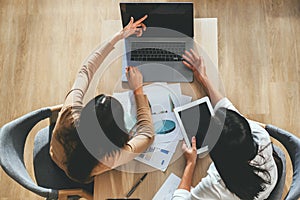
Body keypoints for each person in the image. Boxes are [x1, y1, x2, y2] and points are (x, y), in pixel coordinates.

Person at [49, 15, 155, 184]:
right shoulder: (111, 156)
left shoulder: (70, 113)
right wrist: (138, 90)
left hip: (56, 155)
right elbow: (147, 135)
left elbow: (85, 70)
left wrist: (119, 36)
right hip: (77, 177)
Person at [172, 49, 278, 199]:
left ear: (216, 154)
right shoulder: (260, 136)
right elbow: (226, 106)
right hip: (267, 183)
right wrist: (203, 77)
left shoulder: (215, 186)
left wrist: (190, 163)